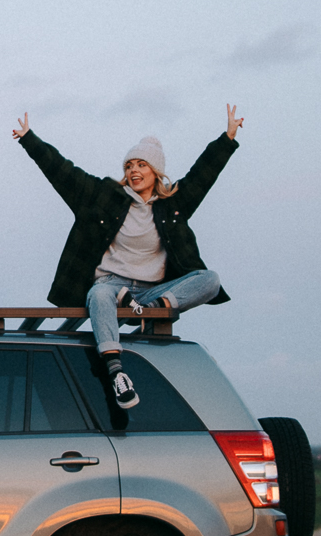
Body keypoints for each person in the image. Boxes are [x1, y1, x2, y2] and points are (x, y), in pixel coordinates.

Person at [13, 106, 243, 409]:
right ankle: (116, 372)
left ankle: (152, 310)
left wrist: (227, 139)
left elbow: (203, 175)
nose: (133, 171)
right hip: (112, 284)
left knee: (210, 280)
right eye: (129, 165)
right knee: (98, 294)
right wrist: (30, 139)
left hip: (151, 291)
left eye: (141, 165)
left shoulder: (172, 205)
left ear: (156, 172)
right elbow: (64, 172)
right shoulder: (104, 196)